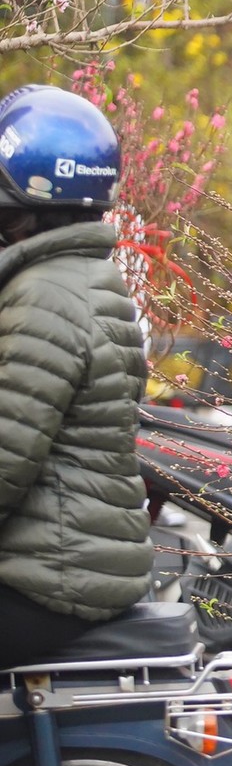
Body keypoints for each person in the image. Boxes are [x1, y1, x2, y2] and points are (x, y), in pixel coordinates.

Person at [0, 85, 151, 667]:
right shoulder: (86, 278)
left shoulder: (45, 296)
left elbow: (7, 458)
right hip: (77, 562)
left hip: (49, 576)